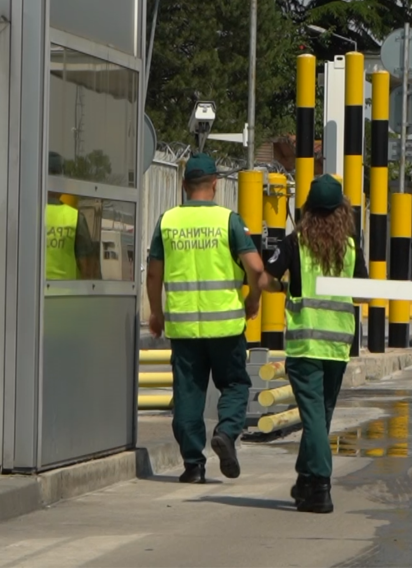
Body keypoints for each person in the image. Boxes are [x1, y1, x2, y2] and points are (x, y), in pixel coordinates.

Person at [146, 153, 264, 484]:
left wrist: (156, 312)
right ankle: (226, 432)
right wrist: (253, 298)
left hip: (184, 328)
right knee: (236, 384)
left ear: (184, 186)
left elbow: (154, 275)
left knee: (188, 394)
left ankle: (193, 465)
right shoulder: (229, 220)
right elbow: (255, 268)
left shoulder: (167, 221)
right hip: (226, 327)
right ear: (215, 184)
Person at [260, 175, 368, 513]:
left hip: (306, 345)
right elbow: (362, 292)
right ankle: (306, 480)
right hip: (337, 346)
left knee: (313, 418)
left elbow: (266, 278)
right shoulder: (350, 247)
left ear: (307, 209)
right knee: (319, 416)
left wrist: (283, 289)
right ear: (341, 210)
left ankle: (320, 485)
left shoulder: (296, 242)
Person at [46, 152, 98, 280]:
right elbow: (87, 270)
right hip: (66, 298)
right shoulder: (74, 218)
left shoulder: (25, 216)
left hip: (30, 299)